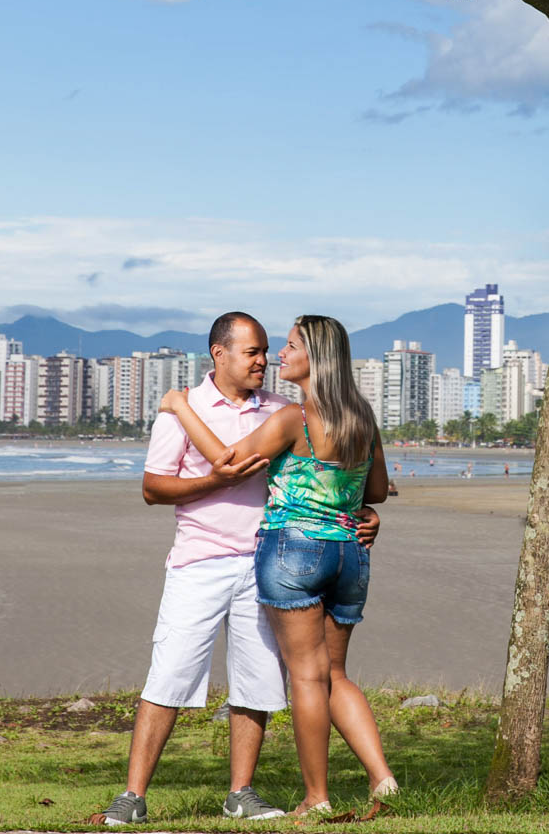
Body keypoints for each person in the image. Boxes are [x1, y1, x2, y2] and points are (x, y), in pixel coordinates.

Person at [98, 310, 379, 827]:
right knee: (171, 674)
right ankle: (132, 795)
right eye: (253, 352)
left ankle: (241, 792)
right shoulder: (179, 410)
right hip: (198, 561)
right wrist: (211, 480)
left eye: (270, 350)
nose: (265, 361)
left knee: (257, 684)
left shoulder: (282, 409)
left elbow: (329, 477)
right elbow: (153, 488)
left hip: (264, 564)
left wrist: (365, 512)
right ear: (219, 354)